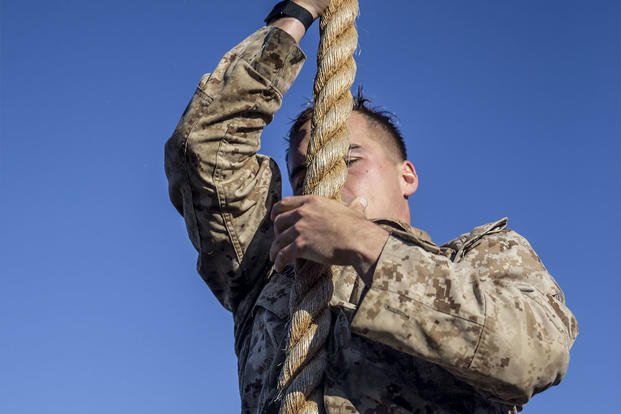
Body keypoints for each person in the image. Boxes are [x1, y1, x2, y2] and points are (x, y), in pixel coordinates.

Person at [164, 1, 578, 412]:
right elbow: (203, 150)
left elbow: (537, 354)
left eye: (349, 161)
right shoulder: (268, 264)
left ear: (407, 176)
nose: (317, 184)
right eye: (298, 175)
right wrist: (299, 11)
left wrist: (365, 244)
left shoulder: (483, 257)